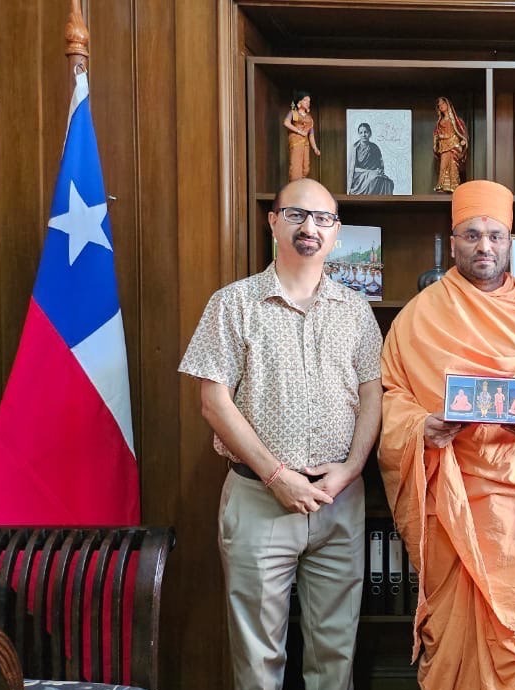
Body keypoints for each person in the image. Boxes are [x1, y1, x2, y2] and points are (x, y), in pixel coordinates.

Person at [178, 178, 383, 690]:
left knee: (336, 653)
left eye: (323, 219)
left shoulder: (356, 310)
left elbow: (374, 395)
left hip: (340, 499)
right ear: (273, 221)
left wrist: (352, 469)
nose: (310, 227)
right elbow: (213, 401)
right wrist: (276, 476)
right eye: (297, 215)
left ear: (336, 234)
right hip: (259, 497)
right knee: (258, 656)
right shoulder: (234, 303)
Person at [378, 179, 515, 690]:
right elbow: (390, 398)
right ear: (453, 243)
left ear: (511, 242)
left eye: (495, 235)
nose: (484, 246)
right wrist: (422, 425)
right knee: (453, 635)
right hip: (451, 498)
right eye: (471, 235)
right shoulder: (419, 316)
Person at [347, 122, 394, 195]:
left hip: (374, 173)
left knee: (388, 182)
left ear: (370, 133)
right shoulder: (355, 148)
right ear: (358, 134)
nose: (363, 135)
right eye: (361, 132)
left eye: (366, 132)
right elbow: (354, 168)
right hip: (359, 175)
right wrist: (369, 172)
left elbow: (380, 165)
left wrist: (379, 170)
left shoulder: (374, 147)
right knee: (374, 178)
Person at [433, 97, 469, 192]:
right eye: (439, 105)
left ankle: (454, 185)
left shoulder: (456, 121)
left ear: (447, 105)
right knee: (443, 166)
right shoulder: (439, 122)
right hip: (444, 146)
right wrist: (438, 138)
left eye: (443, 104)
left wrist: (462, 142)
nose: (441, 106)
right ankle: (442, 185)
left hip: (453, 145)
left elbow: (460, 133)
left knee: (453, 165)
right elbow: (437, 134)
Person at [283, 92, 321, 181]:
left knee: (306, 167)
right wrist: (299, 131)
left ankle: (300, 185)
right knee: (296, 167)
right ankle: (294, 186)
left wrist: (315, 148)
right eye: (305, 100)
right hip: (296, 142)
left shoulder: (309, 117)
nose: (308, 102)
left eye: (309, 101)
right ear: (299, 102)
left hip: (306, 144)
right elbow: (286, 123)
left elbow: (311, 134)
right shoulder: (294, 113)